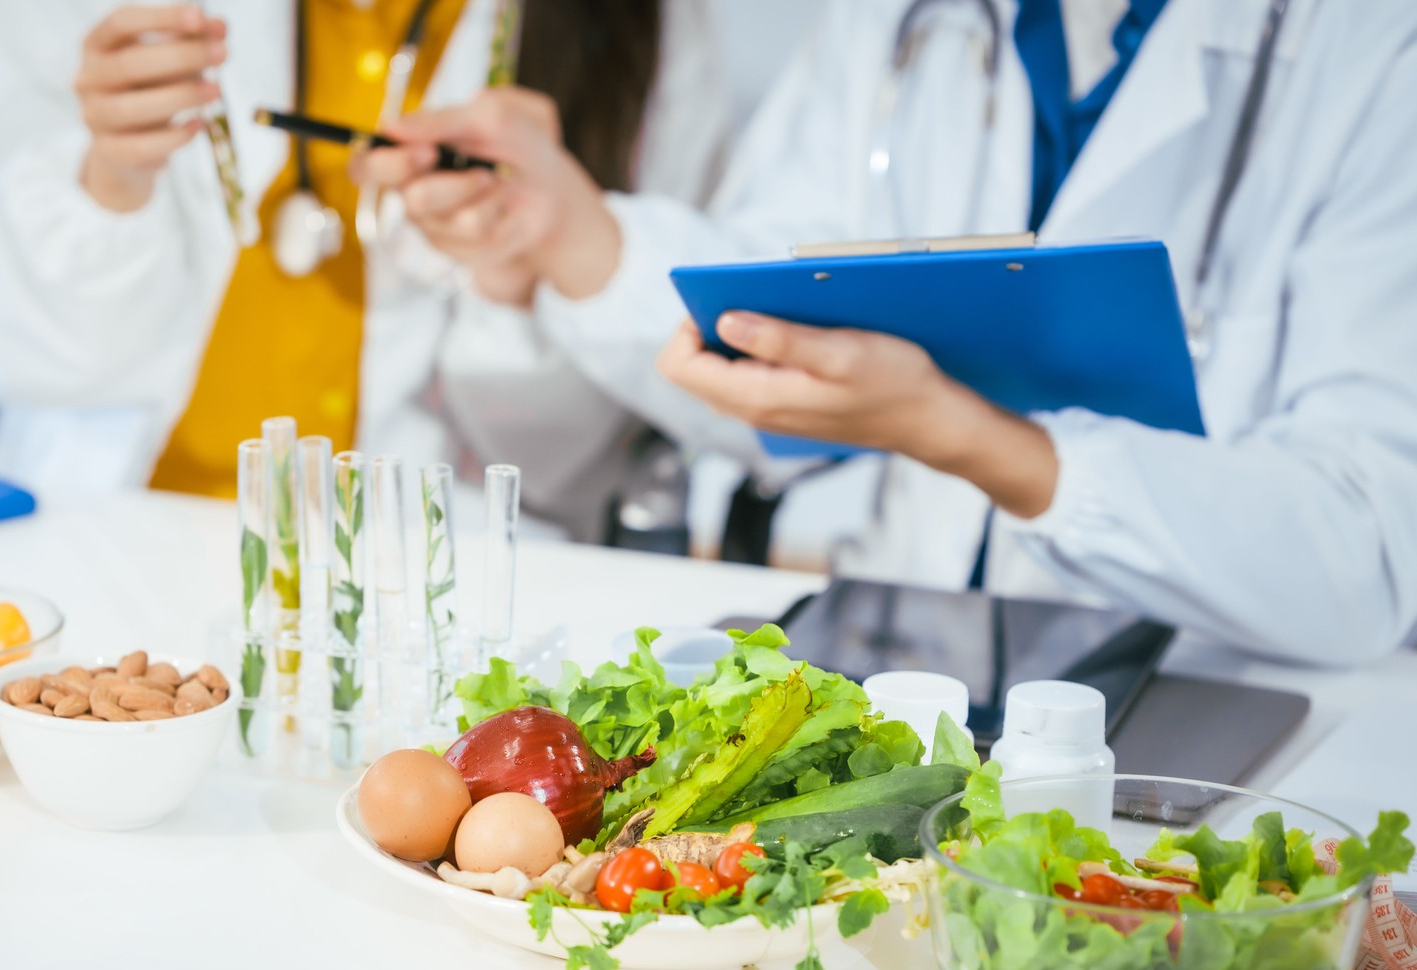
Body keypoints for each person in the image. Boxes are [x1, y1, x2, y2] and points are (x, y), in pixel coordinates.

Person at [360, 0, 1417, 664]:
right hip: (914, 663)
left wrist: (966, 435)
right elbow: (779, 347)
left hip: (1234, 702)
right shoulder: (896, 22)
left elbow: (1363, 561)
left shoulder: (1370, 48)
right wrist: (566, 227)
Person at [0, 0, 726, 540]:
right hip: (117, 536)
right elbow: (16, 358)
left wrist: (517, 267)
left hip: (425, 586)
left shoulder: (632, 30)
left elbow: (566, 462)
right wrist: (111, 180)